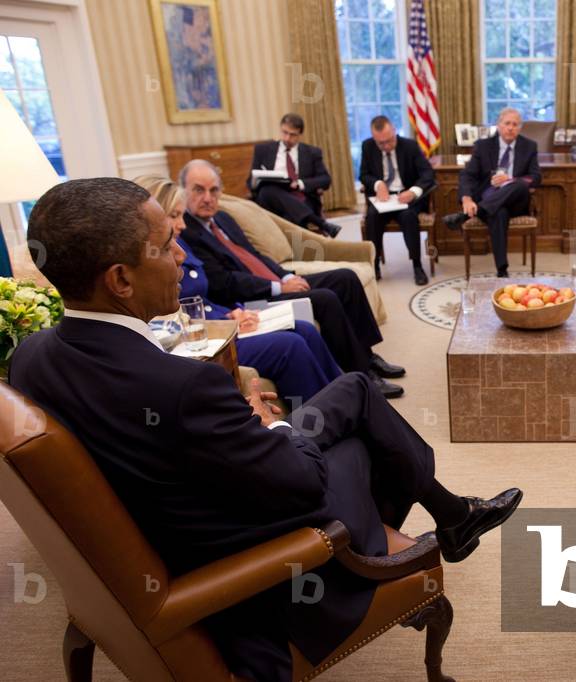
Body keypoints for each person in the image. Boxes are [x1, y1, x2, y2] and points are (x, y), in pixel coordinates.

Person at [10, 177, 523, 682]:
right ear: (120, 280)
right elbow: (301, 481)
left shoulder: (30, 358)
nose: (183, 257)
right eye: (167, 246)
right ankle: (431, 532)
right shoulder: (183, 386)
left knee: (355, 392)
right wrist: (268, 423)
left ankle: (454, 515)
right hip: (267, 561)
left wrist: (250, 427)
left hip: (194, 511)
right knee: (360, 431)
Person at [180, 159, 405, 399]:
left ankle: (368, 357)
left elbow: (255, 255)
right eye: (198, 190)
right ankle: (362, 374)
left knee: (345, 279)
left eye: (213, 190)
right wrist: (278, 286)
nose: (207, 198)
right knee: (325, 299)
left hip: (272, 280)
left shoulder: (222, 219)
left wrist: (285, 274)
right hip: (252, 296)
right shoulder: (187, 232)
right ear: (183, 191)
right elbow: (225, 283)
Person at [136, 175, 341, 404]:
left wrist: (234, 311)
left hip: (218, 324)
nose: (182, 224)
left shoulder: (181, 244)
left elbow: (203, 297)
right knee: (289, 345)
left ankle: (343, 397)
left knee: (303, 327)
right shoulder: (151, 261)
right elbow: (174, 317)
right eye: (174, 216)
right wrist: (226, 321)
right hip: (203, 340)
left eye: (182, 215)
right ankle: (322, 419)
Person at [443, 107, 542, 277]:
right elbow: (468, 175)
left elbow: (536, 177)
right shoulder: (483, 146)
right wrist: (466, 199)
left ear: (520, 128)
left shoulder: (529, 146)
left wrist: (509, 179)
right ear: (498, 125)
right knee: (499, 213)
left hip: (516, 200)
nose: (511, 128)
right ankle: (502, 270)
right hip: (490, 199)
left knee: (519, 185)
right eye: (507, 123)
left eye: (515, 124)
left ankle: (467, 215)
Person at [359, 115, 436, 285]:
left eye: (389, 141)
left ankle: (417, 266)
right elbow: (364, 175)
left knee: (409, 218)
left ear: (394, 131)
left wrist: (413, 192)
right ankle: (375, 264)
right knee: (372, 218)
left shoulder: (410, 146)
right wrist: (378, 184)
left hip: (406, 199)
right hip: (383, 200)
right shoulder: (367, 146)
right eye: (381, 143)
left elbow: (428, 174)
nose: (386, 146)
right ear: (373, 138)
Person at [249, 112, 338, 238]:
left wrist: (300, 184)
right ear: (280, 129)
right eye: (284, 132)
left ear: (300, 135)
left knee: (290, 216)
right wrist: (260, 180)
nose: (287, 138)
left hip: (300, 198)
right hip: (269, 200)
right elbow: (249, 181)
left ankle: (292, 256)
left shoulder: (312, 152)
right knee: (268, 190)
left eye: (292, 135)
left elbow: (325, 180)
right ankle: (321, 224)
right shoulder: (263, 150)